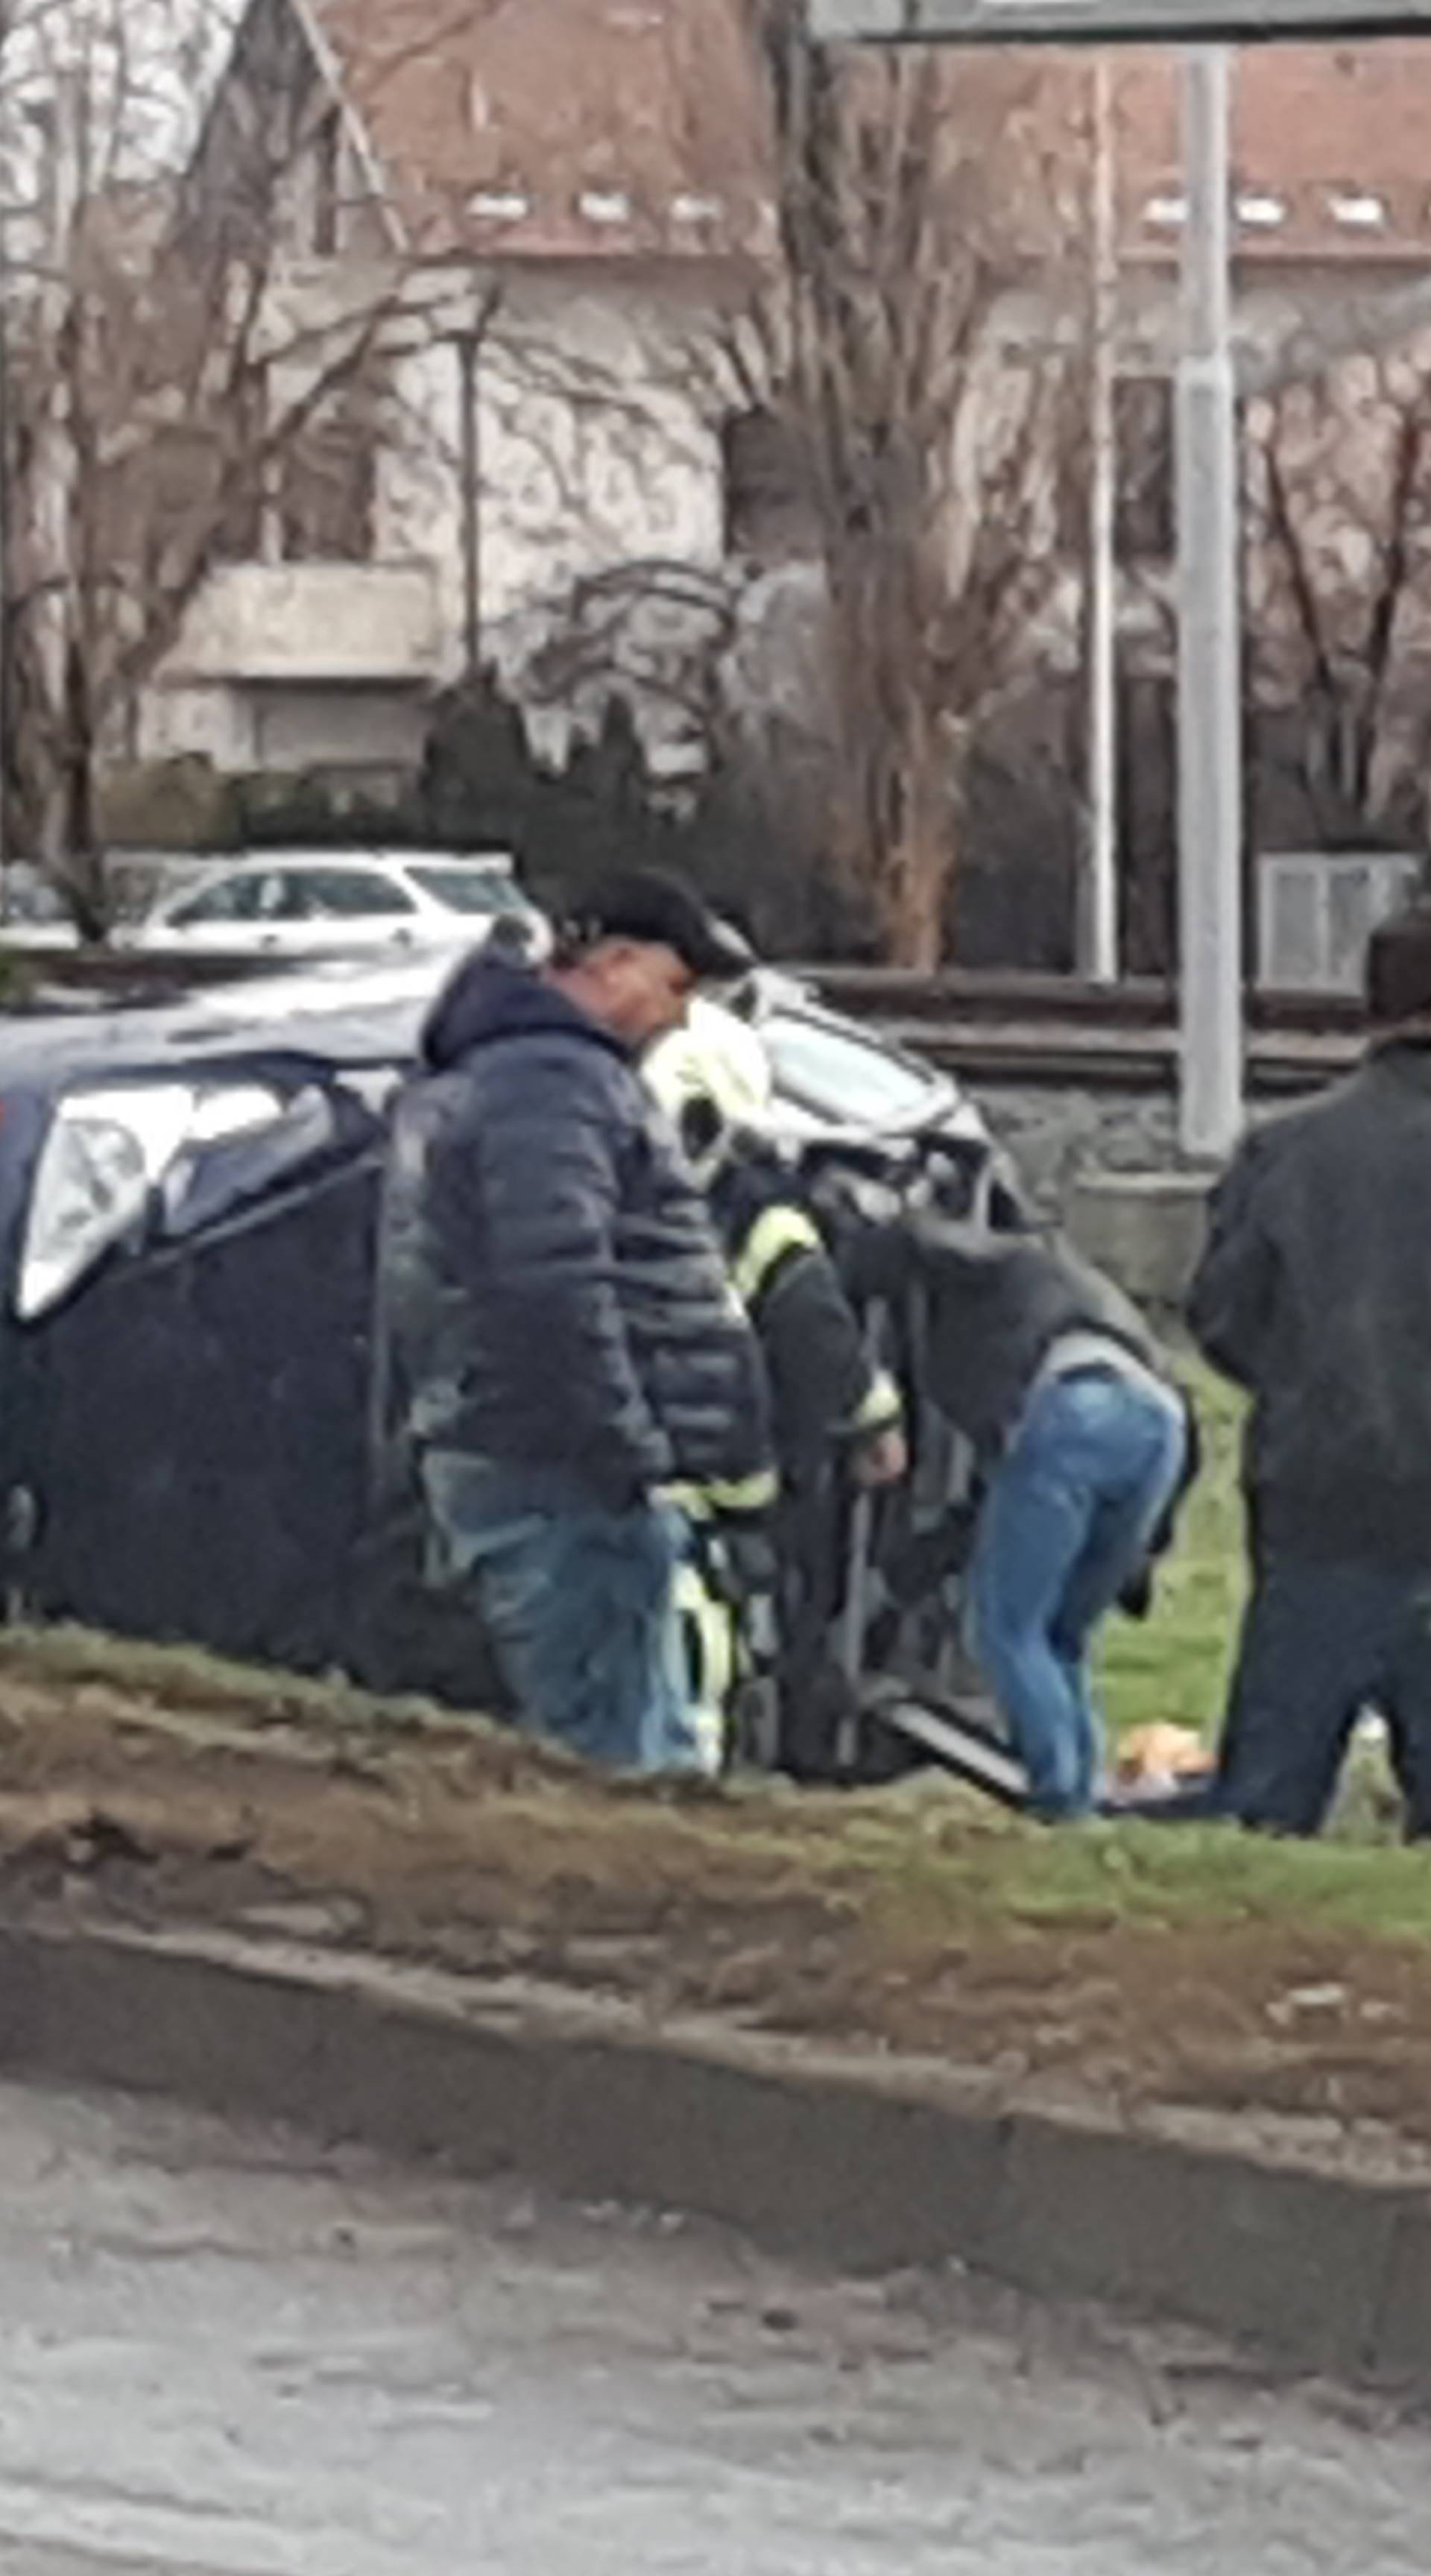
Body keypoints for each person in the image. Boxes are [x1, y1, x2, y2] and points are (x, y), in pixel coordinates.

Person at [385, 871, 771, 1774]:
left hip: (535, 1460)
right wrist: (623, 1449)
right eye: (677, 988)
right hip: (565, 1481)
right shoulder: (553, 1086)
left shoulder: (500, 1074)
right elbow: (552, 1285)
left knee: (624, 1743)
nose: (680, 1020)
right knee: (614, 1765)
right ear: (616, 963)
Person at [1188, 902, 1431, 1837]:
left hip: (1321, 1498)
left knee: (1268, 1801)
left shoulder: (1285, 1152)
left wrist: (1306, 1383)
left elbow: (1222, 1315)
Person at [645, 1000, 907, 1771]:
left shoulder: (614, 1190)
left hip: (636, 1463)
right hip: (710, 1481)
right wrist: (874, 1423)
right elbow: (814, 1325)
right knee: (701, 1636)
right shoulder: (761, 1217)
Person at [912, 1215, 1189, 1820]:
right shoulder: (1076, 1282)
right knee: (1065, 1632)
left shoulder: (986, 1287)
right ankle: (1085, 1792)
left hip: (1073, 1408)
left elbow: (995, 1445)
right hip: (1161, 1418)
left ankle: (1059, 1798)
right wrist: (1151, 1549)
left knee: (1011, 1627)